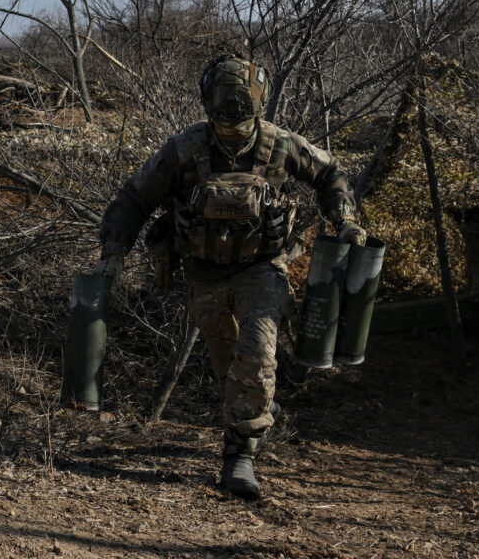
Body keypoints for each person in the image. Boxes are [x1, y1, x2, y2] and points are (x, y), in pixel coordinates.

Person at [97, 54, 366, 499]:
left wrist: (345, 219)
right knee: (232, 368)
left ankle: (238, 459)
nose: (234, 118)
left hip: (262, 269)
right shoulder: (184, 150)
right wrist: (114, 252)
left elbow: (331, 174)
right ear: (209, 104)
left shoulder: (280, 145)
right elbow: (133, 199)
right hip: (204, 276)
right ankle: (259, 407)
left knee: (256, 359)